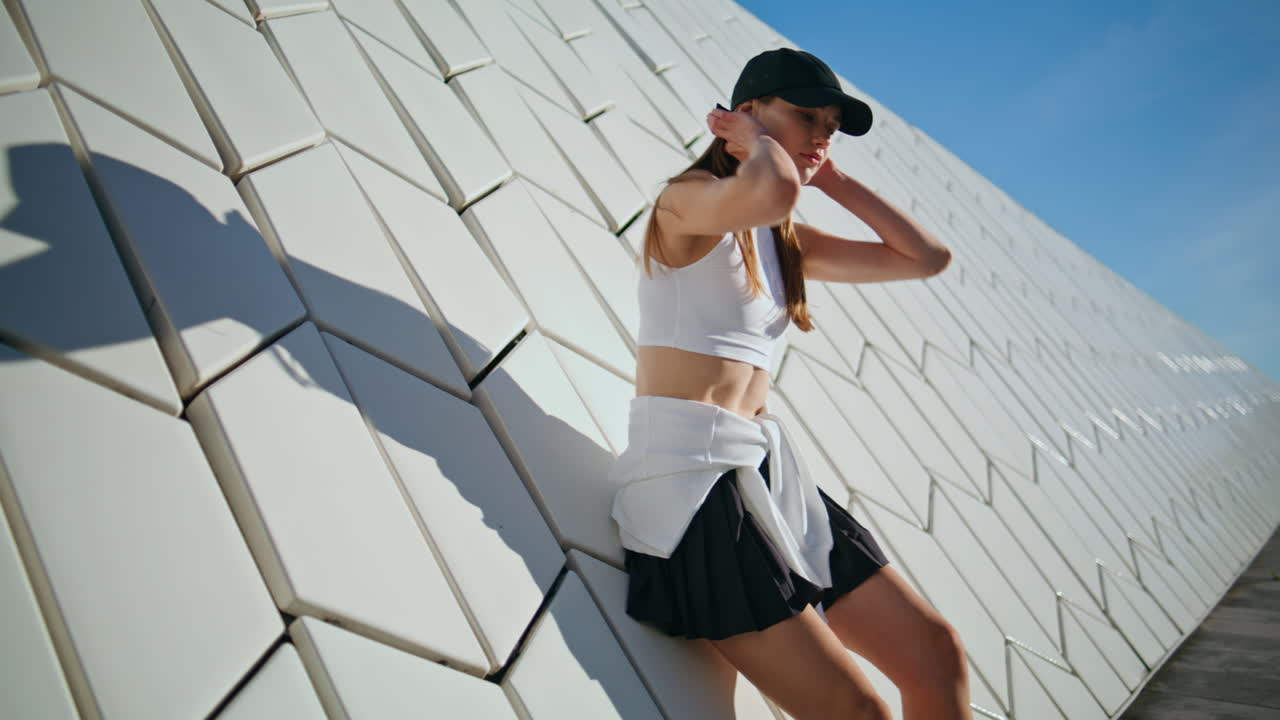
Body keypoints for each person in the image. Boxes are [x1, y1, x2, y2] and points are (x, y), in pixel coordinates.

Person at [608, 49, 971, 719]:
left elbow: (925, 257)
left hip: (765, 474)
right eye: (808, 117)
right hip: (691, 487)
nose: (821, 135)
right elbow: (772, 191)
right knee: (857, 711)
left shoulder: (783, 240)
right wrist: (755, 145)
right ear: (747, 112)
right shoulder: (684, 202)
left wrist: (829, 176)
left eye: (831, 126)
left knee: (936, 652)